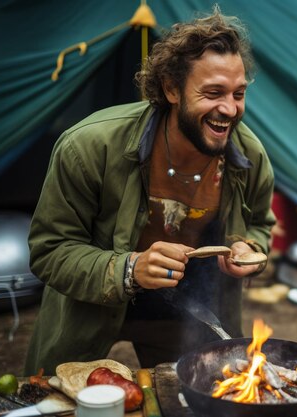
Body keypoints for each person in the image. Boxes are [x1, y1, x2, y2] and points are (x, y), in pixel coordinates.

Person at [24, 7, 275, 375]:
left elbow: (260, 226)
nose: (230, 109)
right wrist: (130, 268)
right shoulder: (90, 146)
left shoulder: (247, 156)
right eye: (213, 92)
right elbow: (49, 251)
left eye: (238, 94)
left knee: (195, 402)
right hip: (90, 309)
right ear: (171, 88)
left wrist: (250, 249)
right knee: (60, 402)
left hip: (187, 314)